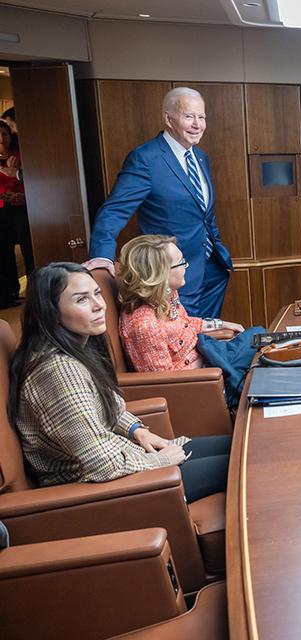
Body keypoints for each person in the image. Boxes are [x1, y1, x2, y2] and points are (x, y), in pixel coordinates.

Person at [8, 263, 232, 504]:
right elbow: (101, 465)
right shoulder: (59, 371)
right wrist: (163, 461)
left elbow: (106, 404)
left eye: (96, 293)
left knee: (242, 445)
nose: (99, 305)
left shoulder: (74, 348)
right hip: (107, 488)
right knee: (245, 461)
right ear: (50, 312)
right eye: (82, 300)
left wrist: (137, 431)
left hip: (127, 458)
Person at [83, 87, 233, 319]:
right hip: (171, 274)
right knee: (182, 343)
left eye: (201, 117)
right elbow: (114, 210)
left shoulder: (201, 157)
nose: (197, 124)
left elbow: (204, 212)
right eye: (188, 116)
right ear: (168, 118)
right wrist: (101, 255)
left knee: (209, 336)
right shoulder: (145, 158)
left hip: (212, 271)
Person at [118, 235, 261, 409]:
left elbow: (185, 323)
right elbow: (165, 383)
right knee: (258, 368)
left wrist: (221, 324)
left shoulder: (167, 294)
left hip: (207, 354)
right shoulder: (145, 326)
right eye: (181, 262)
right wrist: (209, 370)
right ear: (161, 275)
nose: (186, 266)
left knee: (259, 337)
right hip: (202, 378)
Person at [0, 121, 27, 309]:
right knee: (4, 251)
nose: (2, 139)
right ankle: (9, 292)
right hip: (1, 208)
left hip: (20, 206)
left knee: (27, 247)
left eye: (5, 134)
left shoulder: (20, 155)